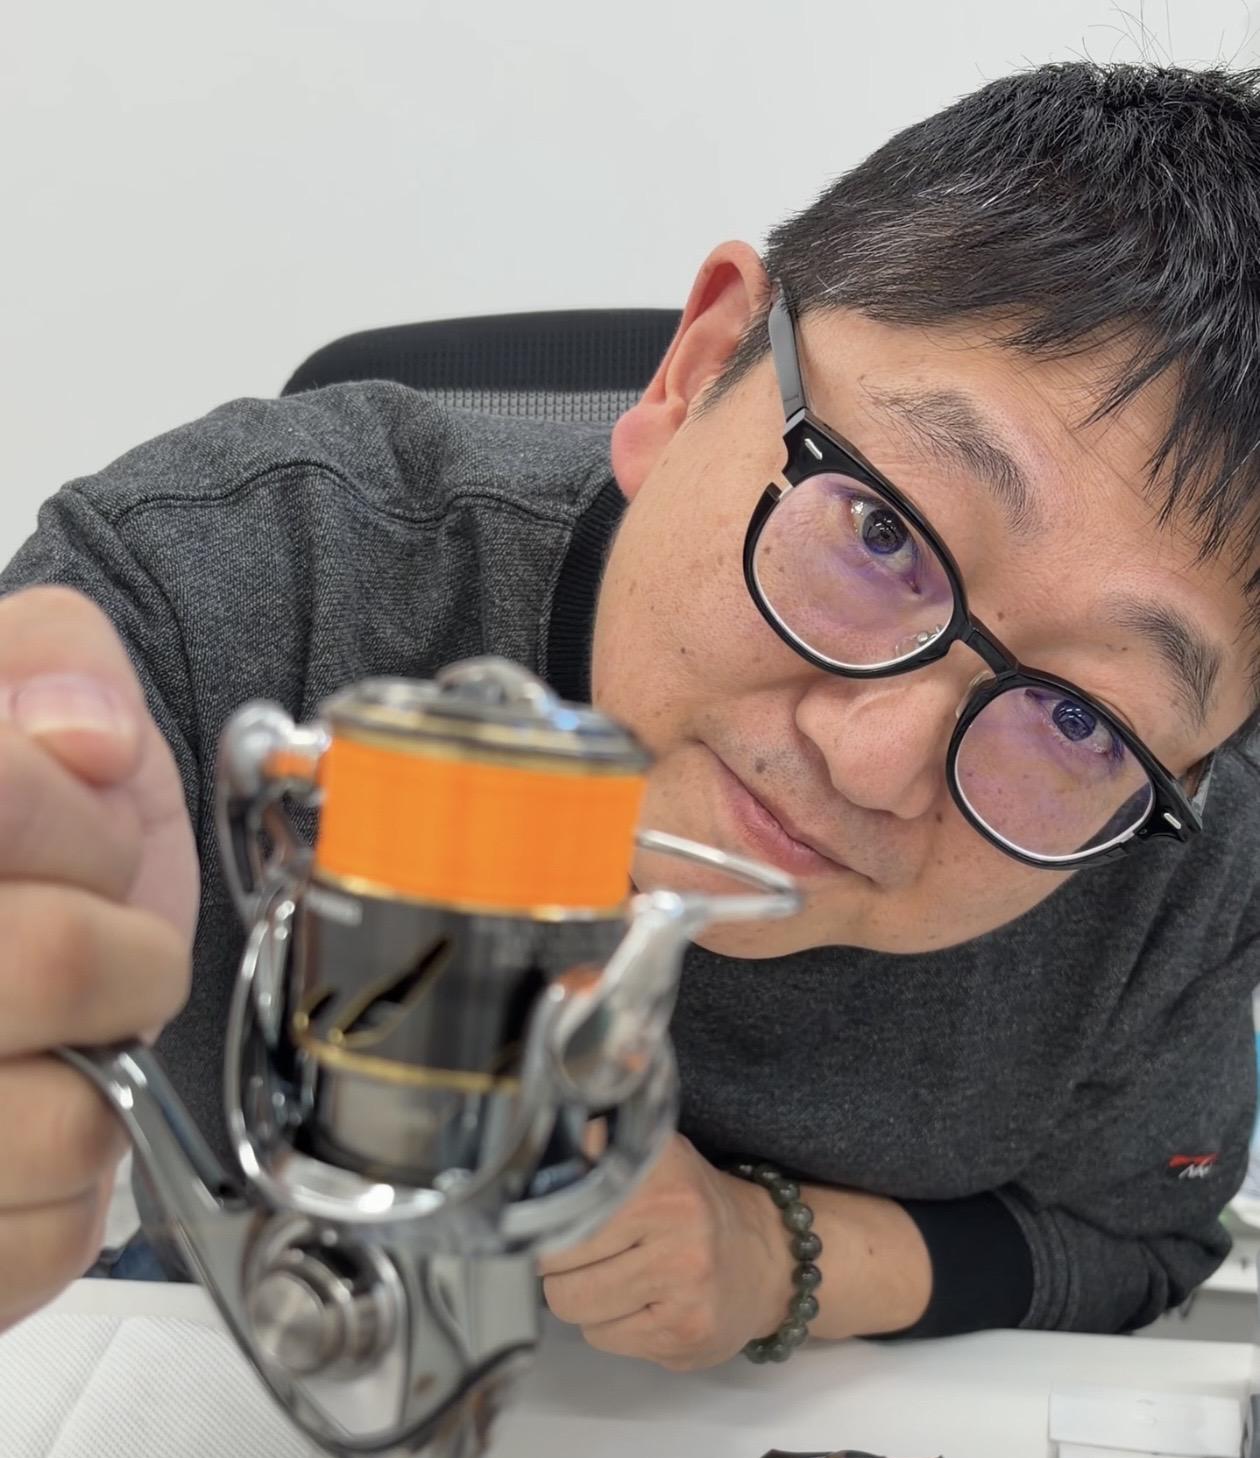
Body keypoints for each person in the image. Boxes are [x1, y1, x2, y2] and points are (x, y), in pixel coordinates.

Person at [2, 59, 1260, 1365]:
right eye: (881, 532)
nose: (875, 761)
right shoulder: (235, 583)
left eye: (1079, 720)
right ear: (698, 368)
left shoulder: (1166, 859)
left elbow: (1140, 1233)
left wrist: (781, 1256)